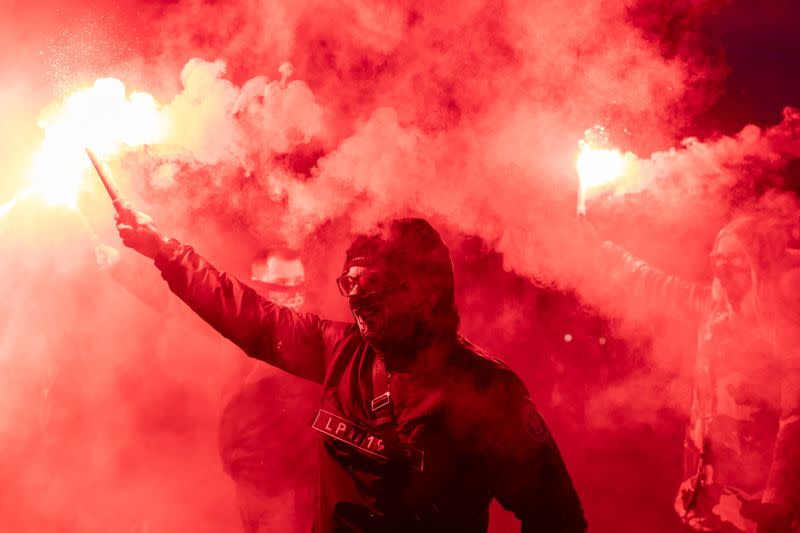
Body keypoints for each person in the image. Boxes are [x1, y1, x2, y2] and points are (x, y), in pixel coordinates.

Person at [115, 205, 586, 533]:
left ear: (420, 288)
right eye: (350, 281)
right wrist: (165, 251)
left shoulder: (486, 391)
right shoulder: (338, 349)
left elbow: (556, 516)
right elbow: (250, 316)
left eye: (373, 281)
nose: (357, 296)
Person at [589, 213, 800, 533]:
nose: (724, 266)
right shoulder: (709, 307)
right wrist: (600, 248)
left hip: (759, 502)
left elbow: (794, 418)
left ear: (758, 262)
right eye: (719, 256)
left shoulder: (784, 324)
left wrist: (777, 498)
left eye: (736, 257)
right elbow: (650, 282)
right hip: (708, 497)